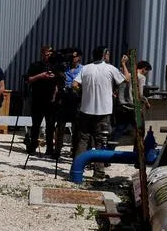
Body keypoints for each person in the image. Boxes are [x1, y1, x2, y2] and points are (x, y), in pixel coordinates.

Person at [72, 46, 130, 179]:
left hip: (86, 110)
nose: (109, 55)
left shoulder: (86, 68)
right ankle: (98, 173)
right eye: (108, 53)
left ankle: (76, 171)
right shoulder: (110, 68)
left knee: (83, 140)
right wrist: (123, 64)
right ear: (104, 55)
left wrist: (82, 94)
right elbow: (126, 79)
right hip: (103, 111)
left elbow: (74, 84)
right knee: (101, 141)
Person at [24, 45, 61, 156]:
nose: (48, 56)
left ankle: (50, 148)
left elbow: (57, 84)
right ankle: (33, 146)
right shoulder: (35, 65)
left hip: (50, 100)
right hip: (37, 99)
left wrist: (55, 94)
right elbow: (28, 80)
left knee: (50, 126)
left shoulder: (55, 66)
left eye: (50, 54)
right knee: (36, 125)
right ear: (42, 54)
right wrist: (41, 76)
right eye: (46, 54)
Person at [52, 48, 82, 159]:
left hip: (76, 98)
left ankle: (74, 151)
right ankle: (57, 150)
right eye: (71, 57)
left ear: (79, 57)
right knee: (60, 126)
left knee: (76, 128)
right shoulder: (64, 68)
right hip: (64, 98)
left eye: (74, 56)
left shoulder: (83, 69)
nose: (72, 59)